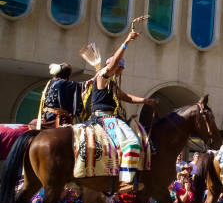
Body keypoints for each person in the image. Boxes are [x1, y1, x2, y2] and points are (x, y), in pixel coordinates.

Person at [91, 31, 157, 193]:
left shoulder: (111, 84)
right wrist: (127, 40)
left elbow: (126, 97)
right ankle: (125, 181)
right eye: (119, 68)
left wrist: (145, 101)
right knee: (132, 143)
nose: (120, 71)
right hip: (104, 118)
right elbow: (113, 64)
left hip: (112, 118)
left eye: (120, 69)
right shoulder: (102, 75)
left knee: (140, 136)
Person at [35, 62, 88, 129]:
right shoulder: (64, 83)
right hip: (56, 118)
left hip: (45, 116)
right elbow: (80, 85)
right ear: (68, 75)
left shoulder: (50, 82)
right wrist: (91, 81)